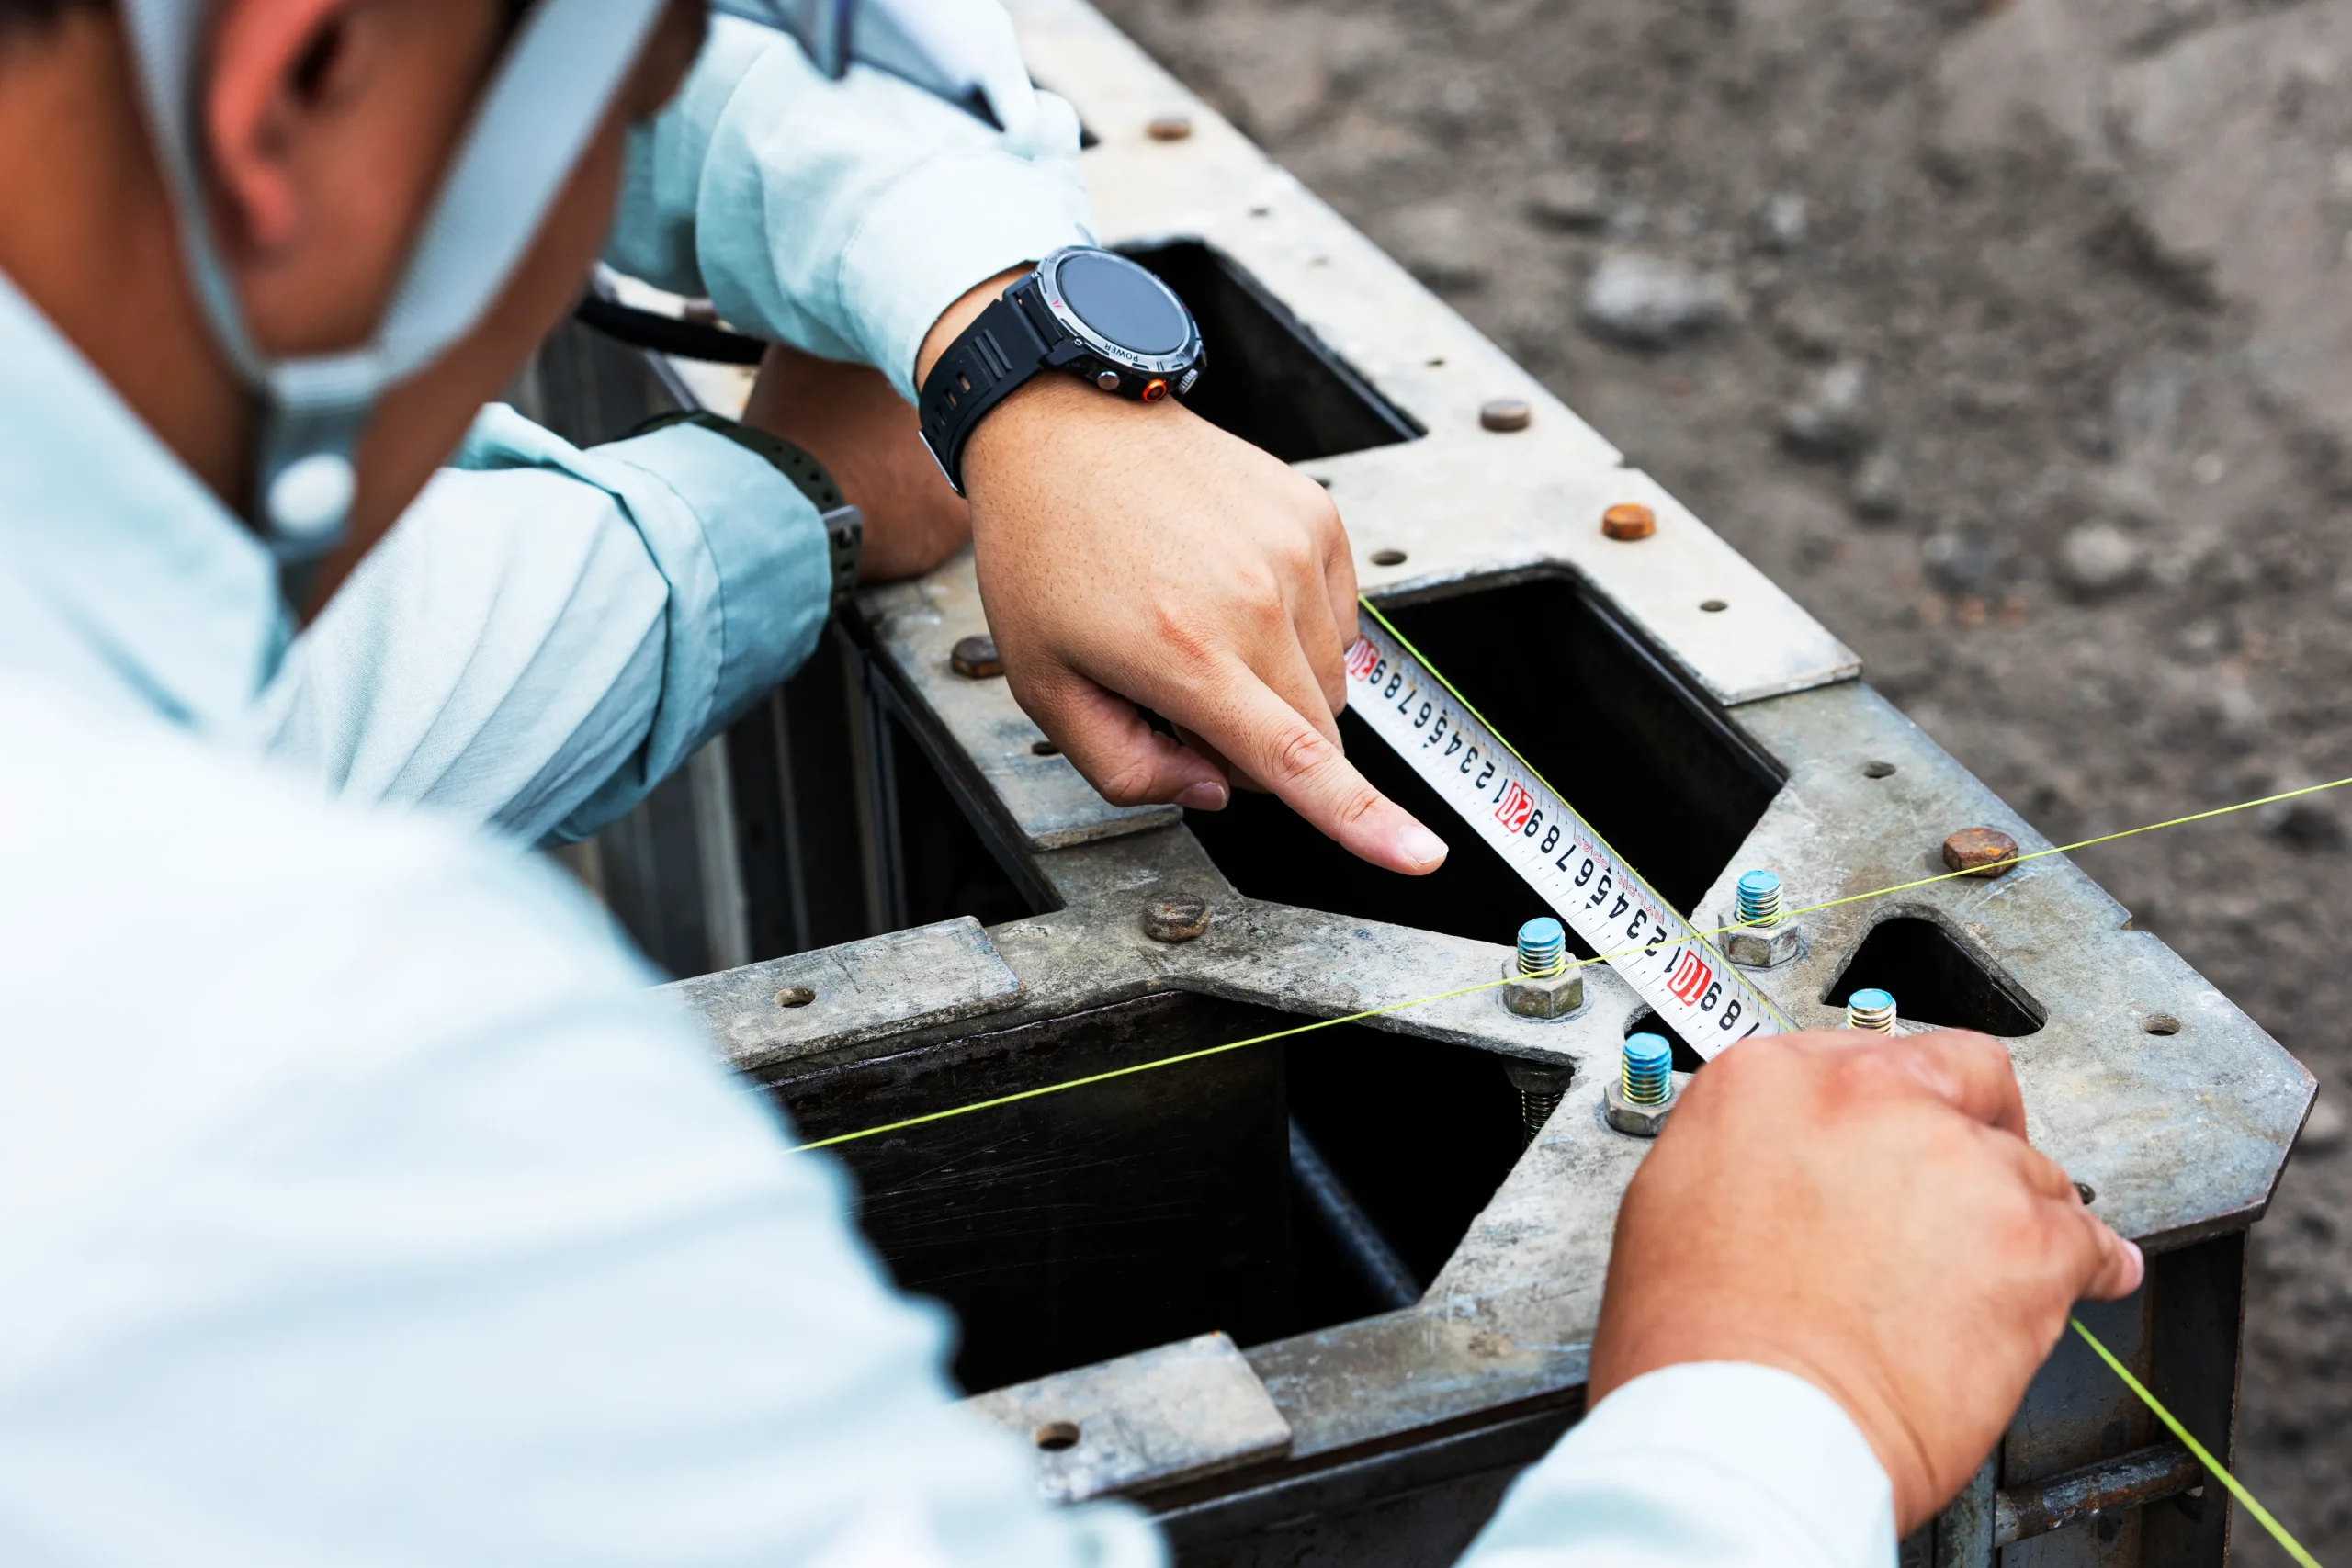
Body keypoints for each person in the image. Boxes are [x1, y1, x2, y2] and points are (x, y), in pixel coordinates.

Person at [0, 1, 2143, 1564]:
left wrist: (963, 384)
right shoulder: (295, 1099)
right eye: (623, 94)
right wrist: (1774, 1413)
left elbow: (737, 87)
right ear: (293, 75)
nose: (638, 144)